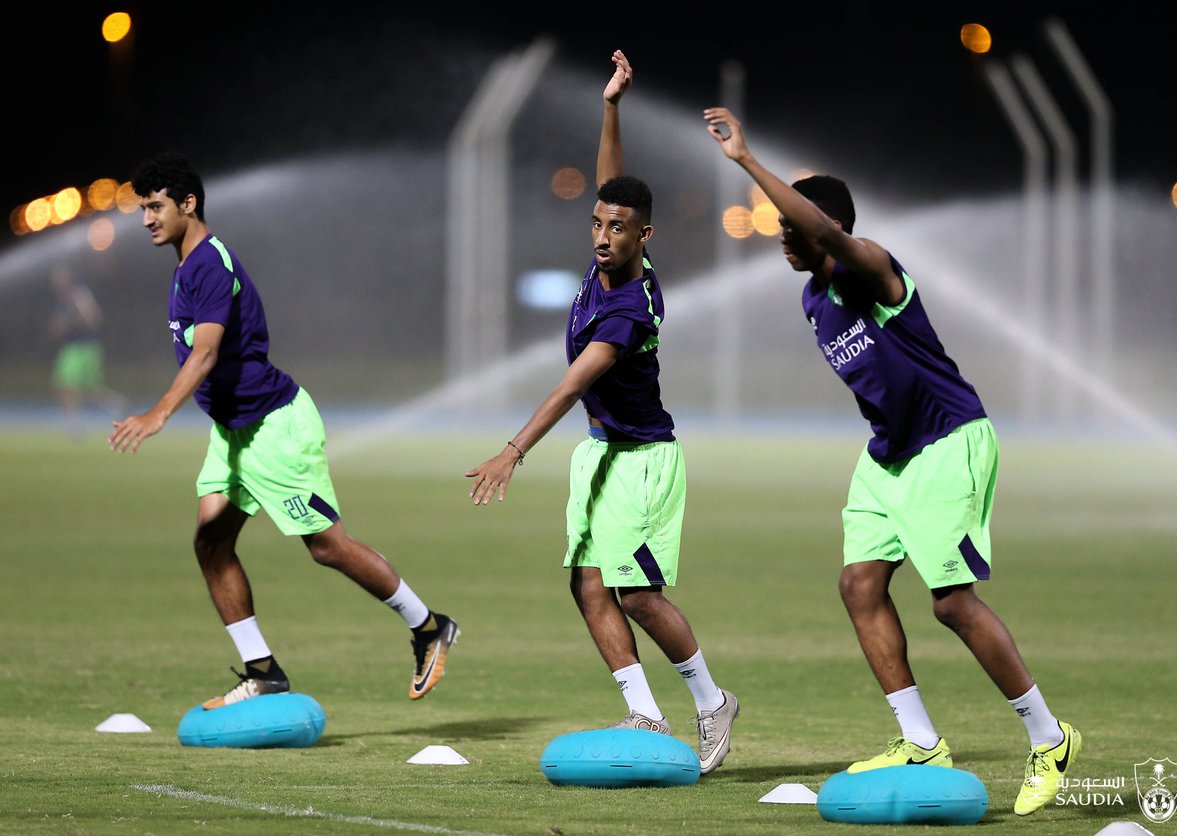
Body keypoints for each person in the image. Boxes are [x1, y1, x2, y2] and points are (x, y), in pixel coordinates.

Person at [703, 107, 1079, 814]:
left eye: (792, 227)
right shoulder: (814, 300)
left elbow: (825, 234)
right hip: (889, 456)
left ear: (826, 229)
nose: (783, 238)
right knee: (858, 585)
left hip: (947, 440)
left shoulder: (872, 268)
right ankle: (919, 739)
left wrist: (749, 163)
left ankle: (1049, 736)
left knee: (951, 604)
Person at [466, 51, 738, 775]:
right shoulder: (605, 257)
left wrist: (512, 450)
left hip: (644, 460)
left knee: (638, 594)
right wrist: (612, 105)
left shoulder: (628, 303)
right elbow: (613, 183)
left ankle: (712, 704)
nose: (600, 233)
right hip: (601, 453)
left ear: (642, 237)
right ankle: (644, 712)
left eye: (617, 228)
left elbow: (567, 384)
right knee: (586, 583)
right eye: (596, 223)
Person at [110, 152, 457, 709]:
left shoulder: (209, 264)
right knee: (210, 542)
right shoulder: (185, 266)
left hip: (274, 427)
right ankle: (263, 670)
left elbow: (205, 353)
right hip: (233, 433)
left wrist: (158, 414)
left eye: (155, 207)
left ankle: (428, 626)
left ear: (188, 204)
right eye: (143, 209)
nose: (147, 219)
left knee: (327, 547)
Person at [48, 265, 127, 435]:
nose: (56, 281)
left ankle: (74, 425)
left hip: (82, 347)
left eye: (59, 276)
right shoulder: (65, 298)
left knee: (69, 386)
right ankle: (117, 405)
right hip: (76, 347)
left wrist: (71, 320)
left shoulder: (77, 293)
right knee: (83, 388)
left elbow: (93, 317)